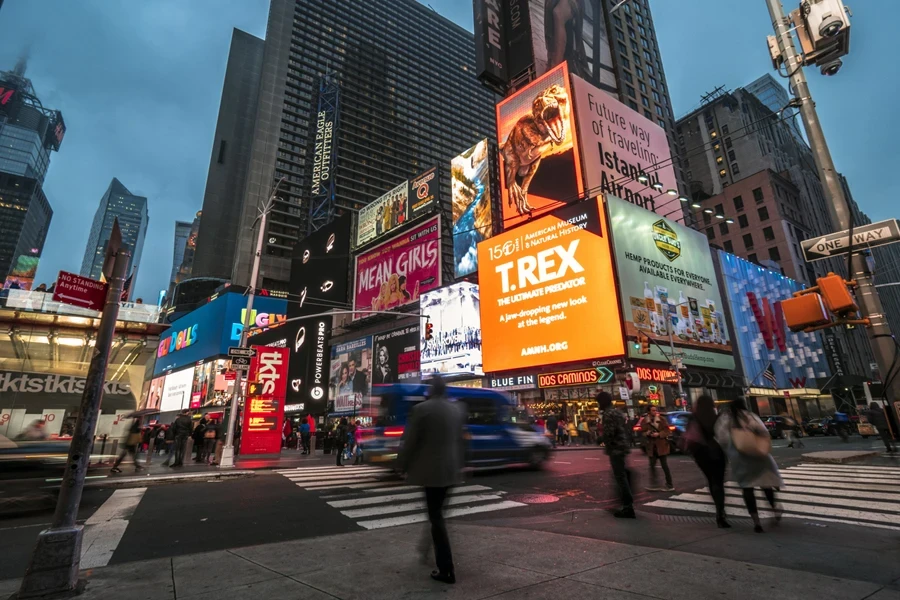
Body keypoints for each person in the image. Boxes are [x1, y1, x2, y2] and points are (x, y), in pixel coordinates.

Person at [399, 375, 465, 584]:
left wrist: (402, 465)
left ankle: (446, 569)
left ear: (431, 389)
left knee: (436, 518)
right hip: (451, 470)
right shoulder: (456, 409)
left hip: (432, 473)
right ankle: (427, 549)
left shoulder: (422, 409)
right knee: (438, 515)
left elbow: (410, 442)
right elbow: (462, 440)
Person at [714, 398, 784, 533]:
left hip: (739, 458)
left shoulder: (726, 419)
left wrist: (731, 448)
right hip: (758, 455)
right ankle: (775, 509)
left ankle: (756, 522)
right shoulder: (751, 416)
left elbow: (721, 438)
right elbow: (764, 432)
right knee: (766, 485)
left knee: (747, 489)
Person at [684, 395, 729, 528]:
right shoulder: (717, 418)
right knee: (719, 482)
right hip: (717, 452)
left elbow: (688, 437)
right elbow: (724, 436)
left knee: (711, 480)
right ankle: (720, 511)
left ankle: (719, 512)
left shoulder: (693, 418)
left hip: (701, 454)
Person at [598, 392, 634, 518]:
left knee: (620, 477)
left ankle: (627, 506)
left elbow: (609, 433)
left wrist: (601, 440)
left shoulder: (608, 414)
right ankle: (626, 502)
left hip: (615, 448)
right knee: (622, 475)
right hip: (622, 446)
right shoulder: (618, 412)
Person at [641, 406, 674, 492]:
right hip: (652, 447)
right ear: (649, 411)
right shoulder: (645, 421)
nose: (655, 412)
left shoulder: (661, 419)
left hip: (661, 445)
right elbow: (642, 432)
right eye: (653, 410)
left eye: (655, 410)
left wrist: (659, 434)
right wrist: (647, 433)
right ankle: (654, 484)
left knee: (664, 466)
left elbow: (667, 431)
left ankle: (670, 484)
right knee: (652, 466)